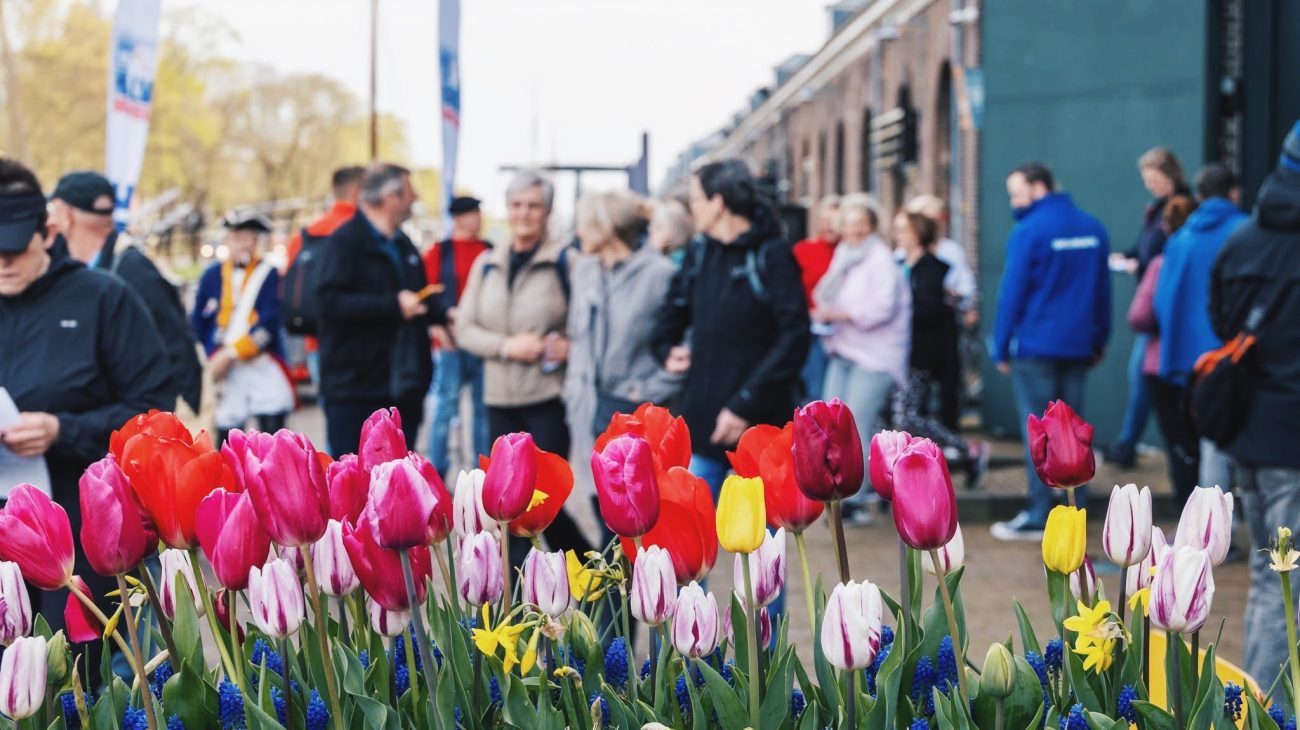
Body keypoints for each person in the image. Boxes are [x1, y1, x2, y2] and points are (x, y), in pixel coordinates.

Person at [0, 158, 172, 651]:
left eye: (12, 248)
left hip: (79, 532)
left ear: (48, 232)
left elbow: (152, 411)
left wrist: (62, 429)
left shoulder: (103, 298)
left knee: (76, 674)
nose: (2, 263)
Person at [456, 170, 593, 560]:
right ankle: (518, 592)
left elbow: (589, 331)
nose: (524, 213)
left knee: (541, 500)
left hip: (548, 398)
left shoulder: (568, 261)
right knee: (506, 503)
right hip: (498, 401)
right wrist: (506, 346)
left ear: (548, 211)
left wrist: (570, 347)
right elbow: (465, 328)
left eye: (534, 205)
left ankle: (590, 566)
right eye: (517, 205)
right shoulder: (487, 262)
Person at [651, 160, 809, 497]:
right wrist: (666, 350)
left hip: (760, 422)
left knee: (764, 541)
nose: (691, 208)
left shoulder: (772, 254)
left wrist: (744, 405)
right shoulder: (699, 253)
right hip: (704, 416)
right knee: (686, 530)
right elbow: (671, 315)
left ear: (718, 203)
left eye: (696, 200)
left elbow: (795, 337)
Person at [1209, 122, 1300, 684]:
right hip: (1292, 441)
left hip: (1250, 432)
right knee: (1283, 580)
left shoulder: (1241, 240)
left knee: (1273, 576)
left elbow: (1222, 326)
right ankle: (1272, 712)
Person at [991, 161, 1111, 541]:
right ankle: (1076, 508)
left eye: (1016, 192)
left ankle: (1040, 513)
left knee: (1040, 433)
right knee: (1073, 432)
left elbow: (1012, 292)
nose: (1014, 201)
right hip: (1078, 345)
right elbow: (1102, 291)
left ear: (1037, 187)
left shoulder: (1029, 230)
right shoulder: (1092, 228)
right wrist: (1100, 338)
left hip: (1036, 346)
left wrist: (1000, 344)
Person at [566, 189, 683, 543]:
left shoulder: (660, 274)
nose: (579, 232)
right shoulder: (583, 270)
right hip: (587, 410)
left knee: (637, 532)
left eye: (585, 223)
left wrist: (646, 392)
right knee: (602, 515)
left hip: (634, 415)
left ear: (607, 226)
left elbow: (683, 346)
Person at [46, 171, 202, 414]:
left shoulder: (130, 267)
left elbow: (175, 344)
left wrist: (177, 420)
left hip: (139, 418)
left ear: (66, 215)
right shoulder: (78, 266)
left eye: (52, 210)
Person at [315, 163, 443, 455]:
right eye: (410, 191)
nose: (416, 198)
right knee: (354, 485)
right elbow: (328, 303)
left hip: (403, 389)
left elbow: (418, 296)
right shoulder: (344, 242)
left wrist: (444, 314)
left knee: (399, 484)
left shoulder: (403, 244)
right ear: (390, 198)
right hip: (355, 391)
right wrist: (393, 306)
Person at [811, 194, 908, 523]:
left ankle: (856, 496)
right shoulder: (844, 255)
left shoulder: (881, 260)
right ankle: (836, 490)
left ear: (871, 226)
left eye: (860, 227)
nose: (853, 234)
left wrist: (840, 313)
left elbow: (882, 309)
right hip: (843, 347)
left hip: (875, 355)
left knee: (856, 425)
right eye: (848, 227)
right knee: (829, 420)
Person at [1153, 164, 1245, 493]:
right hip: (1239, 355)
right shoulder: (1246, 233)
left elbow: (1162, 302)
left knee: (1211, 445)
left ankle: (1218, 535)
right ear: (1234, 193)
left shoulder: (1180, 239)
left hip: (1193, 364)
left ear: (1200, 196)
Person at [1104, 147, 1191, 469]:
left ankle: (1130, 444)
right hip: (1154, 309)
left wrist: (1136, 267)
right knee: (1141, 377)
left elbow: (1163, 259)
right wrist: (1125, 257)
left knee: (1144, 376)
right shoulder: (1155, 211)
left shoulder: (1180, 210)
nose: (1150, 185)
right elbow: (1145, 249)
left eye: (1153, 179)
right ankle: (1128, 443)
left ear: (1169, 176)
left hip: (1162, 311)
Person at [891, 209, 988, 488]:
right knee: (895, 416)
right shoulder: (900, 263)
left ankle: (967, 450)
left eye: (902, 229)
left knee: (906, 416)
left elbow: (928, 310)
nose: (897, 234)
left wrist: (896, 309)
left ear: (917, 234)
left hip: (918, 355)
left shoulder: (930, 268)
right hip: (896, 353)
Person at [192, 213, 295, 446]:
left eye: (248, 238)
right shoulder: (211, 275)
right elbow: (198, 320)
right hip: (223, 366)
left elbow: (269, 323)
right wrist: (209, 356)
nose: (242, 244)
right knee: (227, 433)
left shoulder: (268, 274)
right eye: (237, 238)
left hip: (260, 360)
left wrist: (232, 354)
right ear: (227, 241)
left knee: (273, 427)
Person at [1127, 195, 1199, 501]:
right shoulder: (1212, 259)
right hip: (1205, 365)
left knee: (1179, 447)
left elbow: (1139, 316)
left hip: (1162, 366)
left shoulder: (1161, 264)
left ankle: (1188, 516)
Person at [422, 195, 491, 475]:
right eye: (473, 213)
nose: (478, 218)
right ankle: (436, 472)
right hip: (450, 344)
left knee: (483, 411)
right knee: (445, 409)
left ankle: (482, 474)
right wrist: (439, 330)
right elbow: (427, 295)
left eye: (478, 212)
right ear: (459, 218)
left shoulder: (490, 250)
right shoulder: (439, 251)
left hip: (482, 344)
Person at [283, 165, 366, 397]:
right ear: (358, 191)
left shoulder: (305, 235)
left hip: (318, 340)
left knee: (335, 417)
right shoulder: (367, 232)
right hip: (364, 342)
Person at [793, 195, 840, 402]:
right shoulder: (804, 250)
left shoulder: (849, 254)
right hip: (813, 331)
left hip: (844, 333)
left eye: (835, 222)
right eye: (826, 221)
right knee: (816, 392)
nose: (830, 227)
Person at [647, 197, 694, 265]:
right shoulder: (662, 255)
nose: (651, 230)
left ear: (675, 230)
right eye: (652, 225)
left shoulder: (680, 261)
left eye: (658, 227)